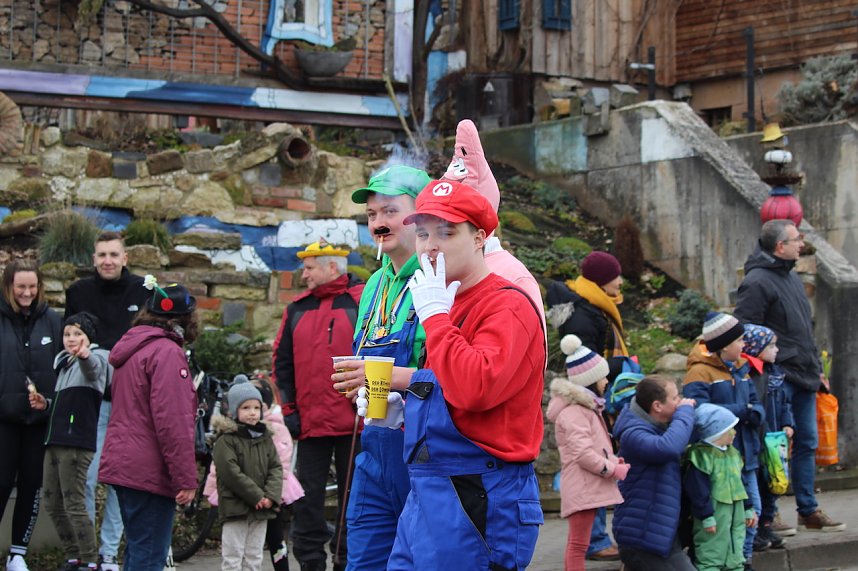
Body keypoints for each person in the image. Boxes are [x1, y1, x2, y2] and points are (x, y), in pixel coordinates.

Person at [371, 179, 545, 569]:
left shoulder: (505, 305)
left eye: (447, 232)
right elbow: (446, 382)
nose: (431, 244)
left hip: (479, 486)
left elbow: (474, 388)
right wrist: (405, 404)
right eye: (422, 233)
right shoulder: (444, 297)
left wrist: (434, 318)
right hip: (427, 486)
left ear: (480, 237)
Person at [332, 165, 431, 571]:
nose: (378, 223)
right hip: (373, 441)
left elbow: (450, 372)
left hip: (422, 449)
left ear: (421, 214)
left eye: (389, 211)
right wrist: (358, 385)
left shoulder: (437, 277)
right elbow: (363, 353)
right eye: (372, 215)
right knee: (364, 560)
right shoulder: (373, 283)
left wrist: (394, 380)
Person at [734, 219, 845, 532]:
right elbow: (746, 332)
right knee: (772, 445)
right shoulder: (756, 281)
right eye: (797, 239)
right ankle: (770, 512)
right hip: (776, 378)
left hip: (805, 374)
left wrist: (816, 368)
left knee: (807, 441)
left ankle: (807, 508)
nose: (802, 243)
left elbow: (802, 330)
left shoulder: (791, 276)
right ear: (780, 246)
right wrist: (770, 368)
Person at [272, 239, 364, 571]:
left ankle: (347, 561)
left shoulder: (360, 302)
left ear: (332, 268)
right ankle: (311, 562)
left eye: (310, 267)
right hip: (310, 422)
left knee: (353, 499)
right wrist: (290, 412)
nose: (304, 274)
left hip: (355, 424)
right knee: (306, 499)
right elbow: (280, 365)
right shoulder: (296, 309)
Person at [98, 280, 199, 571]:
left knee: (137, 551)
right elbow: (173, 424)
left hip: (123, 464)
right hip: (148, 471)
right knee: (149, 558)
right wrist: (185, 478)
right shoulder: (167, 354)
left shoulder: (133, 349)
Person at [66, 231, 149, 571]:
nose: (108, 261)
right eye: (102, 255)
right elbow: (68, 341)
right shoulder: (78, 292)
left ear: (125, 258)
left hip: (130, 404)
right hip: (90, 403)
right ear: (94, 258)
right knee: (85, 477)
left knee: (119, 481)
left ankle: (109, 552)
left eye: (114, 254)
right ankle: (87, 552)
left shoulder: (143, 290)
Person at [545, 250, 629, 561]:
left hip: (596, 393)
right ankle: (595, 541)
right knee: (589, 474)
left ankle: (595, 539)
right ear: (601, 280)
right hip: (593, 397)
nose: (620, 282)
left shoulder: (593, 305)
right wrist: (610, 374)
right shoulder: (584, 314)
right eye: (615, 276)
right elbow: (585, 365)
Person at [28, 312, 109, 571]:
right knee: (52, 503)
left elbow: (93, 368)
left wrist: (85, 355)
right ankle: (74, 555)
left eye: (78, 334)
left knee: (74, 503)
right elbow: (65, 407)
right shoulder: (64, 364)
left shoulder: (94, 359)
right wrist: (47, 404)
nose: (71, 339)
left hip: (76, 444)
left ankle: (91, 560)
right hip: (55, 440)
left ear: (88, 338)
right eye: (67, 334)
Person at [683, 311, 765, 564]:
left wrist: (752, 412)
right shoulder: (699, 372)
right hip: (717, 457)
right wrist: (744, 412)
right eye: (739, 340)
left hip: (744, 453)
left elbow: (757, 406)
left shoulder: (742, 368)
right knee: (723, 515)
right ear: (724, 345)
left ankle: (743, 559)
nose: (744, 345)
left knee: (752, 510)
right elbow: (701, 412)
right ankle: (720, 561)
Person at [0, 260, 63, 571]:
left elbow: (62, 369)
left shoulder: (52, 321)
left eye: (32, 286)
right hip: (4, 420)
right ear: (9, 286)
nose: (27, 293)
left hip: (39, 422)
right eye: (20, 287)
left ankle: (17, 554)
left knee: (30, 485)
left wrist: (49, 402)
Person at [205, 378, 304, 571]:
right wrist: (256, 496)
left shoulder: (266, 438)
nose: (252, 413)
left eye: (256, 408)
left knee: (254, 556)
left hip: (262, 509)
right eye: (245, 408)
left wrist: (270, 497)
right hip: (236, 509)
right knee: (233, 557)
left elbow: (276, 469)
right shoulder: (226, 440)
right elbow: (230, 472)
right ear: (234, 411)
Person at [547, 335, 627, 571]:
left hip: (586, 487)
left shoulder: (587, 408)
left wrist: (613, 460)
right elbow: (583, 454)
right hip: (582, 488)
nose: (606, 381)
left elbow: (596, 448)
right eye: (603, 376)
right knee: (578, 545)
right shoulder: (575, 412)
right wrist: (613, 469)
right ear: (590, 380)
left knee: (578, 543)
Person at [612, 375, 696, 570]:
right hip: (643, 536)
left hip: (660, 533)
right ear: (657, 406)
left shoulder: (657, 426)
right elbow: (667, 448)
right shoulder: (633, 432)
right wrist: (685, 413)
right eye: (675, 398)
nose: (680, 401)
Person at [683, 404, 756, 571]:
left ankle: (735, 565)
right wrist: (706, 515)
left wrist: (748, 507)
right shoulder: (700, 455)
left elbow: (742, 482)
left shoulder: (733, 453)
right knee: (712, 548)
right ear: (716, 432)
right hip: (715, 511)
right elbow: (698, 490)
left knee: (736, 544)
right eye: (730, 429)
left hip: (735, 507)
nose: (734, 433)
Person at [742, 323, 794, 548]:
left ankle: (766, 524)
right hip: (759, 439)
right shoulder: (751, 375)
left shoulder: (776, 374)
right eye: (771, 346)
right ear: (756, 348)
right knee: (761, 483)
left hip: (776, 438)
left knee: (775, 482)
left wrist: (787, 423)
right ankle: (756, 531)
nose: (776, 350)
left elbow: (785, 403)